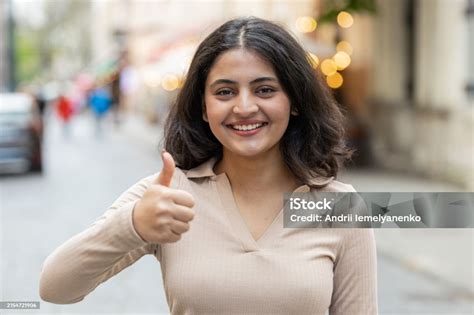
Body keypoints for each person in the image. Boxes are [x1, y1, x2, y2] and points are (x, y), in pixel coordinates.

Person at [39, 17, 378, 314]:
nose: (245, 107)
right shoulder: (167, 196)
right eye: (225, 92)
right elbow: (55, 287)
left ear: (294, 103)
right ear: (203, 108)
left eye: (264, 89)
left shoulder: (341, 207)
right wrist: (132, 225)